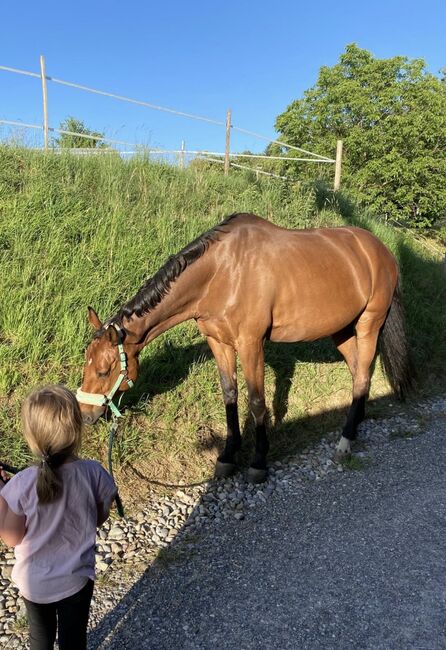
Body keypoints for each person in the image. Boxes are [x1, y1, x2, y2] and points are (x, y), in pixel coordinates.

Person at [0, 384, 117, 650]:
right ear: (77, 430)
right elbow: (98, 518)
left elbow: (11, 537)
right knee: (73, 639)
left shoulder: (21, 483)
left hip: (35, 584)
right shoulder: (93, 472)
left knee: (39, 640)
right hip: (76, 579)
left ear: (31, 436)